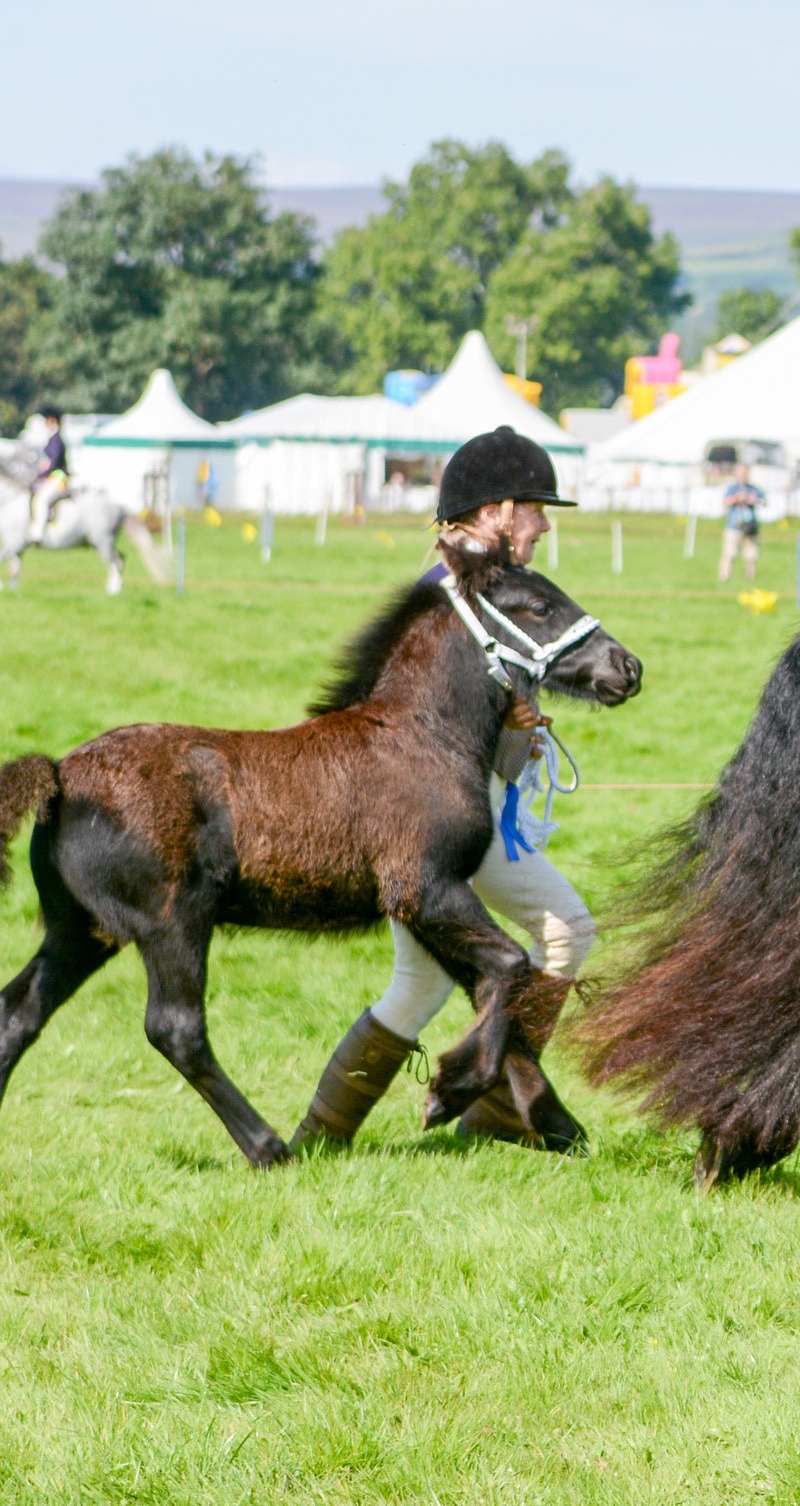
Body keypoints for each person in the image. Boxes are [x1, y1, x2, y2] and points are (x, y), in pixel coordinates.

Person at [291, 426, 595, 1154]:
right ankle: (506, 1113)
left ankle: (317, 1142)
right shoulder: (463, 601)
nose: (545, 526)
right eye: (536, 511)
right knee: (565, 928)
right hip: (445, 819)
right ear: (497, 512)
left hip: (429, 811)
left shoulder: (462, 592)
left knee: (419, 983)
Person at [26, 407, 70, 542]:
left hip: (58, 477)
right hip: (53, 476)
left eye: (47, 420)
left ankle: (37, 534)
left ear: (52, 420)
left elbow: (54, 462)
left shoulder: (56, 440)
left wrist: (42, 473)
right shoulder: (52, 439)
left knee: (40, 500)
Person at [717, 464, 764, 584]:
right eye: (740, 474)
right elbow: (725, 502)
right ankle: (724, 579)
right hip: (734, 526)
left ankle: (750, 581)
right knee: (729, 554)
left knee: (751, 556)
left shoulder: (754, 489)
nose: (743, 476)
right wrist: (737, 498)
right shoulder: (732, 489)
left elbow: (763, 502)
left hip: (751, 528)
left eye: (745, 474)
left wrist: (751, 499)